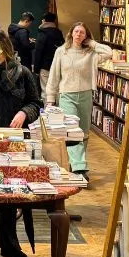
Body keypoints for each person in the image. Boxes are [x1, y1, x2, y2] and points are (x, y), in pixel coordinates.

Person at [0, 31, 42, 257]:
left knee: (11, 193)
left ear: (6, 49)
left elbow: (36, 103)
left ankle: (9, 244)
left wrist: (24, 113)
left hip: (15, 143)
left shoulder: (23, 73)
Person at [44, 22, 111, 179]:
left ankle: (76, 163)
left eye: (82, 32)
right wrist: (50, 99)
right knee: (72, 131)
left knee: (83, 132)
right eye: (76, 31)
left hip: (86, 95)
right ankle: (80, 168)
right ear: (71, 33)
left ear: (86, 36)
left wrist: (92, 43)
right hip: (67, 95)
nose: (79, 34)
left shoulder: (91, 54)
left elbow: (109, 53)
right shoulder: (62, 52)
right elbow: (53, 76)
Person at [32, 12, 65, 90]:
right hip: (58, 65)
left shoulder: (42, 33)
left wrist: (36, 69)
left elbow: (38, 51)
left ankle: (48, 102)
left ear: (43, 21)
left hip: (45, 66)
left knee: (46, 89)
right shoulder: (58, 32)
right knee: (57, 89)